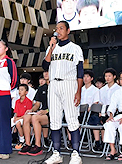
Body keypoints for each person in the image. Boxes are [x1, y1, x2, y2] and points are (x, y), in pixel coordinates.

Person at [42, 20, 84, 164]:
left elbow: (80, 72)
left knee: (72, 119)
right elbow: (44, 65)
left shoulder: (75, 48)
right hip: (53, 84)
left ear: (68, 30)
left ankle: (76, 154)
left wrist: (78, 91)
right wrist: (51, 48)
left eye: (61, 28)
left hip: (69, 83)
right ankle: (56, 153)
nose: (58, 31)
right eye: (56, 28)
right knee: (54, 120)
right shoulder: (51, 48)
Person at [19, 75, 49, 156]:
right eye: (45, 72)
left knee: (35, 118)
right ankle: (28, 144)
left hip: (51, 114)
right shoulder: (41, 88)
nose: (46, 74)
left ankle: (38, 145)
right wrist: (31, 110)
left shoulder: (55, 87)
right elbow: (37, 104)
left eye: (48, 72)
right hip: (41, 113)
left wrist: (46, 111)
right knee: (27, 116)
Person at [80, 70, 101, 150]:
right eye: (84, 76)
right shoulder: (80, 89)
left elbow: (96, 101)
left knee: (94, 120)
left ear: (91, 78)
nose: (85, 78)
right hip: (81, 112)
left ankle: (97, 141)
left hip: (91, 112)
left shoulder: (95, 90)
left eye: (87, 76)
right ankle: (73, 141)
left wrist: (90, 107)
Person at [11, 84, 33, 150]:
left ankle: (22, 139)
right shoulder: (17, 101)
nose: (20, 91)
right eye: (19, 90)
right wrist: (15, 117)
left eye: (22, 90)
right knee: (7, 122)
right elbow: (16, 112)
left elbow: (28, 114)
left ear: (26, 92)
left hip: (24, 118)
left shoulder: (29, 101)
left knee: (18, 124)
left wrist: (18, 118)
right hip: (18, 117)